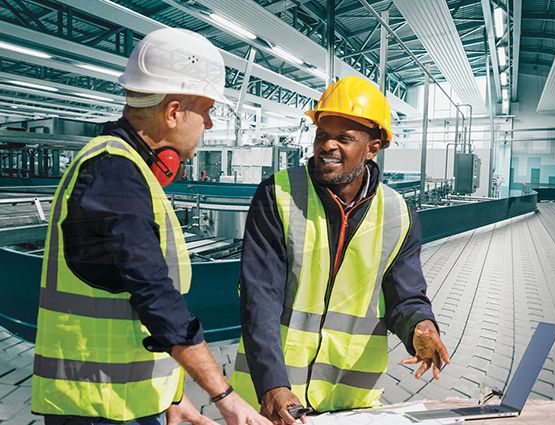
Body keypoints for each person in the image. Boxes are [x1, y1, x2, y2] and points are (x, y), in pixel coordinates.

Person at [31, 28, 271, 425]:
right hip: (99, 409)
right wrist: (224, 395)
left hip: (124, 402)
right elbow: (154, 295)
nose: (209, 123)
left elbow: (126, 303)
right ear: (174, 111)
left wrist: (171, 398)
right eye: (206, 109)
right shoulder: (115, 173)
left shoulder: (122, 166)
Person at [230, 76, 450, 424]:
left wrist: (420, 327)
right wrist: (271, 383)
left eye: (343, 138)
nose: (327, 146)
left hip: (350, 402)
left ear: (372, 147)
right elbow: (260, 297)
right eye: (321, 135)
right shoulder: (278, 195)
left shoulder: (397, 213)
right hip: (273, 400)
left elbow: (404, 295)